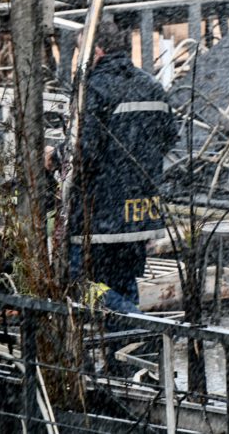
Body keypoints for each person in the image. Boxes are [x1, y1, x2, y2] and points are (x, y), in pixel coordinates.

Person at [52, 21, 180, 315]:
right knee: (124, 286)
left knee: (77, 283)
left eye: (79, 52)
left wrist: (55, 156)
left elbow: (83, 152)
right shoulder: (151, 86)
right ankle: (127, 355)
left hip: (101, 215)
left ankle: (141, 327)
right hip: (141, 213)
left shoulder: (94, 89)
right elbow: (169, 137)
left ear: (96, 51)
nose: (77, 61)